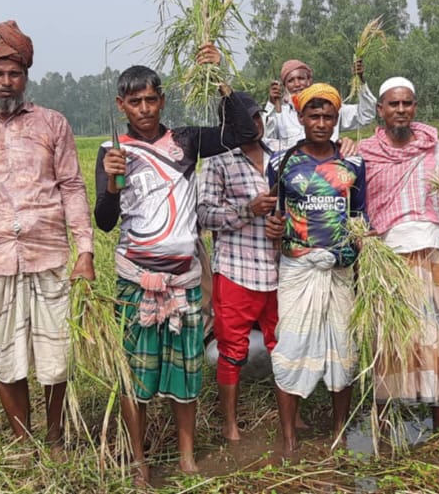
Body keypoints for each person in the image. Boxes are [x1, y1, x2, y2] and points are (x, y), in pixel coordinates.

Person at [94, 55, 253, 480]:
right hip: (136, 280)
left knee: (186, 373)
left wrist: (219, 79)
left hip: (183, 280)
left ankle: (186, 456)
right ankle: (138, 461)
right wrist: (111, 183)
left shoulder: (186, 141)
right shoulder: (113, 152)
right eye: (134, 102)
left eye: (151, 100)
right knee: (136, 375)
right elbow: (105, 220)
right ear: (120, 105)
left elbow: (244, 131)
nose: (144, 110)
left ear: (162, 100)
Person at [0, 20, 95, 450]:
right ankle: (23, 444)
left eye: (15, 73)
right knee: (4, 356)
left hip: (48, 256)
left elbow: (72, 186)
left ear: (26, 76)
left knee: (56, 355)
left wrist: (84, 250)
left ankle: (55, 438)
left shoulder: (52, 124)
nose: (7, 82)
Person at [265, 83, 366, 455]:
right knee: (291, 345)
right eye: (314, 116)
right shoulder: (281, 162)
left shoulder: (353, 162)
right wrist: (273, 228)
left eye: (328, 117)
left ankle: (339, 429)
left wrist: (360, 237)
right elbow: (273, 213)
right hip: (297, 268)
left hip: (340, 270)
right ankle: (289, 436)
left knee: (344, 345)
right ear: (301, 117)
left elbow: (360, 212)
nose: (321, 123)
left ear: (337, 119)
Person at [358, 77, 439, 430]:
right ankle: (386, 420)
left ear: (414, 107)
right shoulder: (364, 153)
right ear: (381, 110)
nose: (401, 110)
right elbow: (358, 205)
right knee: (390, 339)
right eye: (393, 104)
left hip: (433, 250)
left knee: (436, 336)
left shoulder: (433, 148)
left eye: (407, 104)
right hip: (388, 257)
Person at [195, 93, 280, 443]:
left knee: (282, 345)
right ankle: (230, 423)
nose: (255, 124)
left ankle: (290, 415)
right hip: (236, 271)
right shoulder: (218, 163)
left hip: (280, 270)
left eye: (258, 117)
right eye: (247, 119)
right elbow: (203, 214)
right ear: (229, 126)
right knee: (231, 349)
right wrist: (248, 210)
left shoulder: (281, 157)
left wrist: (284, 224)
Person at [262, 58, 375, 151]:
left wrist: (360, 80)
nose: (297, 84)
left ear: (309, 81)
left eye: (301, 78)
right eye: (291, 81)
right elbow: (264, 139)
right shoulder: (280, 114)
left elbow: (366, 115)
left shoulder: (329, 109)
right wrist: (271, 104)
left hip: (328, 171)